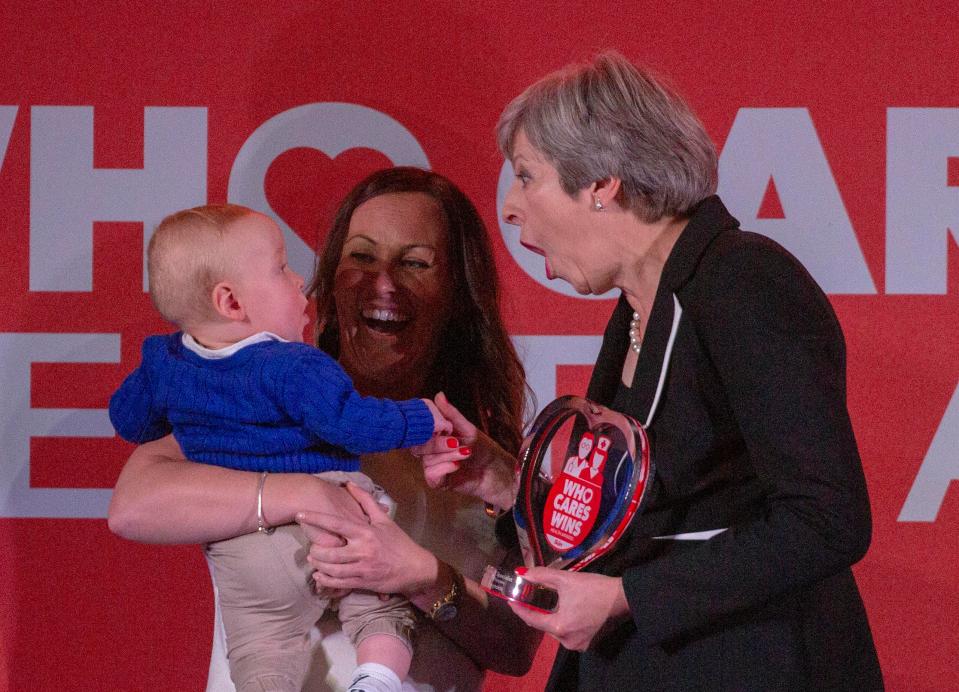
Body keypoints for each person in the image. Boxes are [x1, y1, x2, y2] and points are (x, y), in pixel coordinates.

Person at [407, 53, 884, 690]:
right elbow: (648, 516)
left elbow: (826, 519)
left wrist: (626, 597)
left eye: (525, 177)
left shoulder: (745, 283)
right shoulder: (640, 304)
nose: (512, 208)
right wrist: (503, 482)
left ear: (602, 182)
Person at [108, 168, 537, 691]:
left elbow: (517, 648)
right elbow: (132, 505)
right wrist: (305, 492)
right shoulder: (262, 402)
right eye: (360, 257)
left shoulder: (481, 459)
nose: (383, 283)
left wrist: (420, 576)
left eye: (415, 263)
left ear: (458, 291)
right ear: (329, 277)